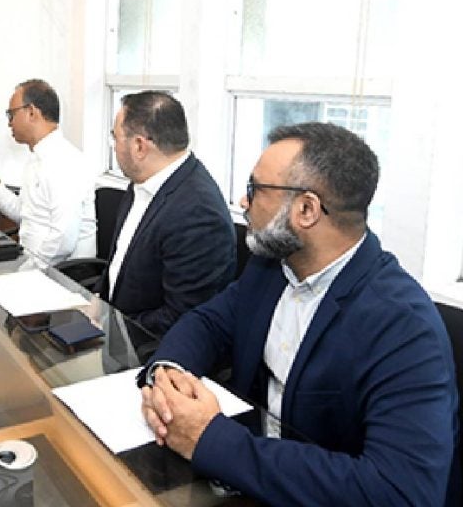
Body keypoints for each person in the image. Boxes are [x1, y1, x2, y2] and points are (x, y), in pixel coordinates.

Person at [139, 122, 460, 506]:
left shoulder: (403, 326)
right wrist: (171, 371)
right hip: (246, 475)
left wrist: (211, 440)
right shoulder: (271, 267)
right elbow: (208, 322)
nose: (243, 202)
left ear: (306, 209)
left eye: (255, 189)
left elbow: (400, 493)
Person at [99, 91, 235, 336]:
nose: (114, 146)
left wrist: (110, 327)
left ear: (139, 146)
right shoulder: (143, 180)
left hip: (148, 347)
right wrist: (98, 303)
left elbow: (181, 318)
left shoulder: (198, 213)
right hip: (114, 326)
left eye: (115, 138)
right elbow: (119, 264)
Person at [0, 79, 96, 268]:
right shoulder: (36, 159)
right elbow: (24, 213)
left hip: (61, 274)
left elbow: (63, 241)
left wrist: (26, 271)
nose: (9, 123)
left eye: (11, 114)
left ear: (32, 112)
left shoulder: (64, 161)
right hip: (34, 264)